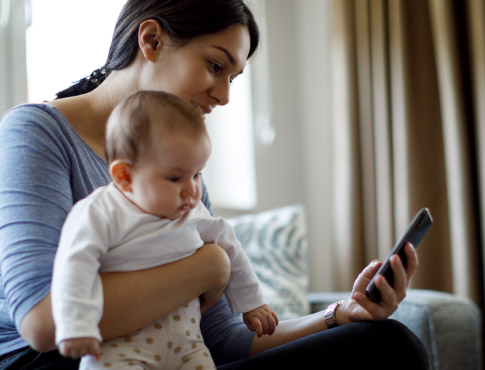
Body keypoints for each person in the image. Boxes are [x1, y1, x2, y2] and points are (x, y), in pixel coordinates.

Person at [0, 0, 429, 369]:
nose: (224, 96)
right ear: (150, 41)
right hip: (61, 361)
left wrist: (340, 315)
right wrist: (209, 267)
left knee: (386, 342)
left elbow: (223, 340)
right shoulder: (37, 133)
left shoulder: (182, 180)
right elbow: (43, 323)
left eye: (233, 78)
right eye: (215, 65)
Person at [51, 90, 279, 369]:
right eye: (175, 177)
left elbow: (229, 246)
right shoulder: (101, 211)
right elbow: (73, 265)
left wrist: (252, 302)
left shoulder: (192, 212)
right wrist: (75, 323)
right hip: (119, 349)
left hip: (188, 346)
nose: (192, 190)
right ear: (124, 176)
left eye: (197, 174)